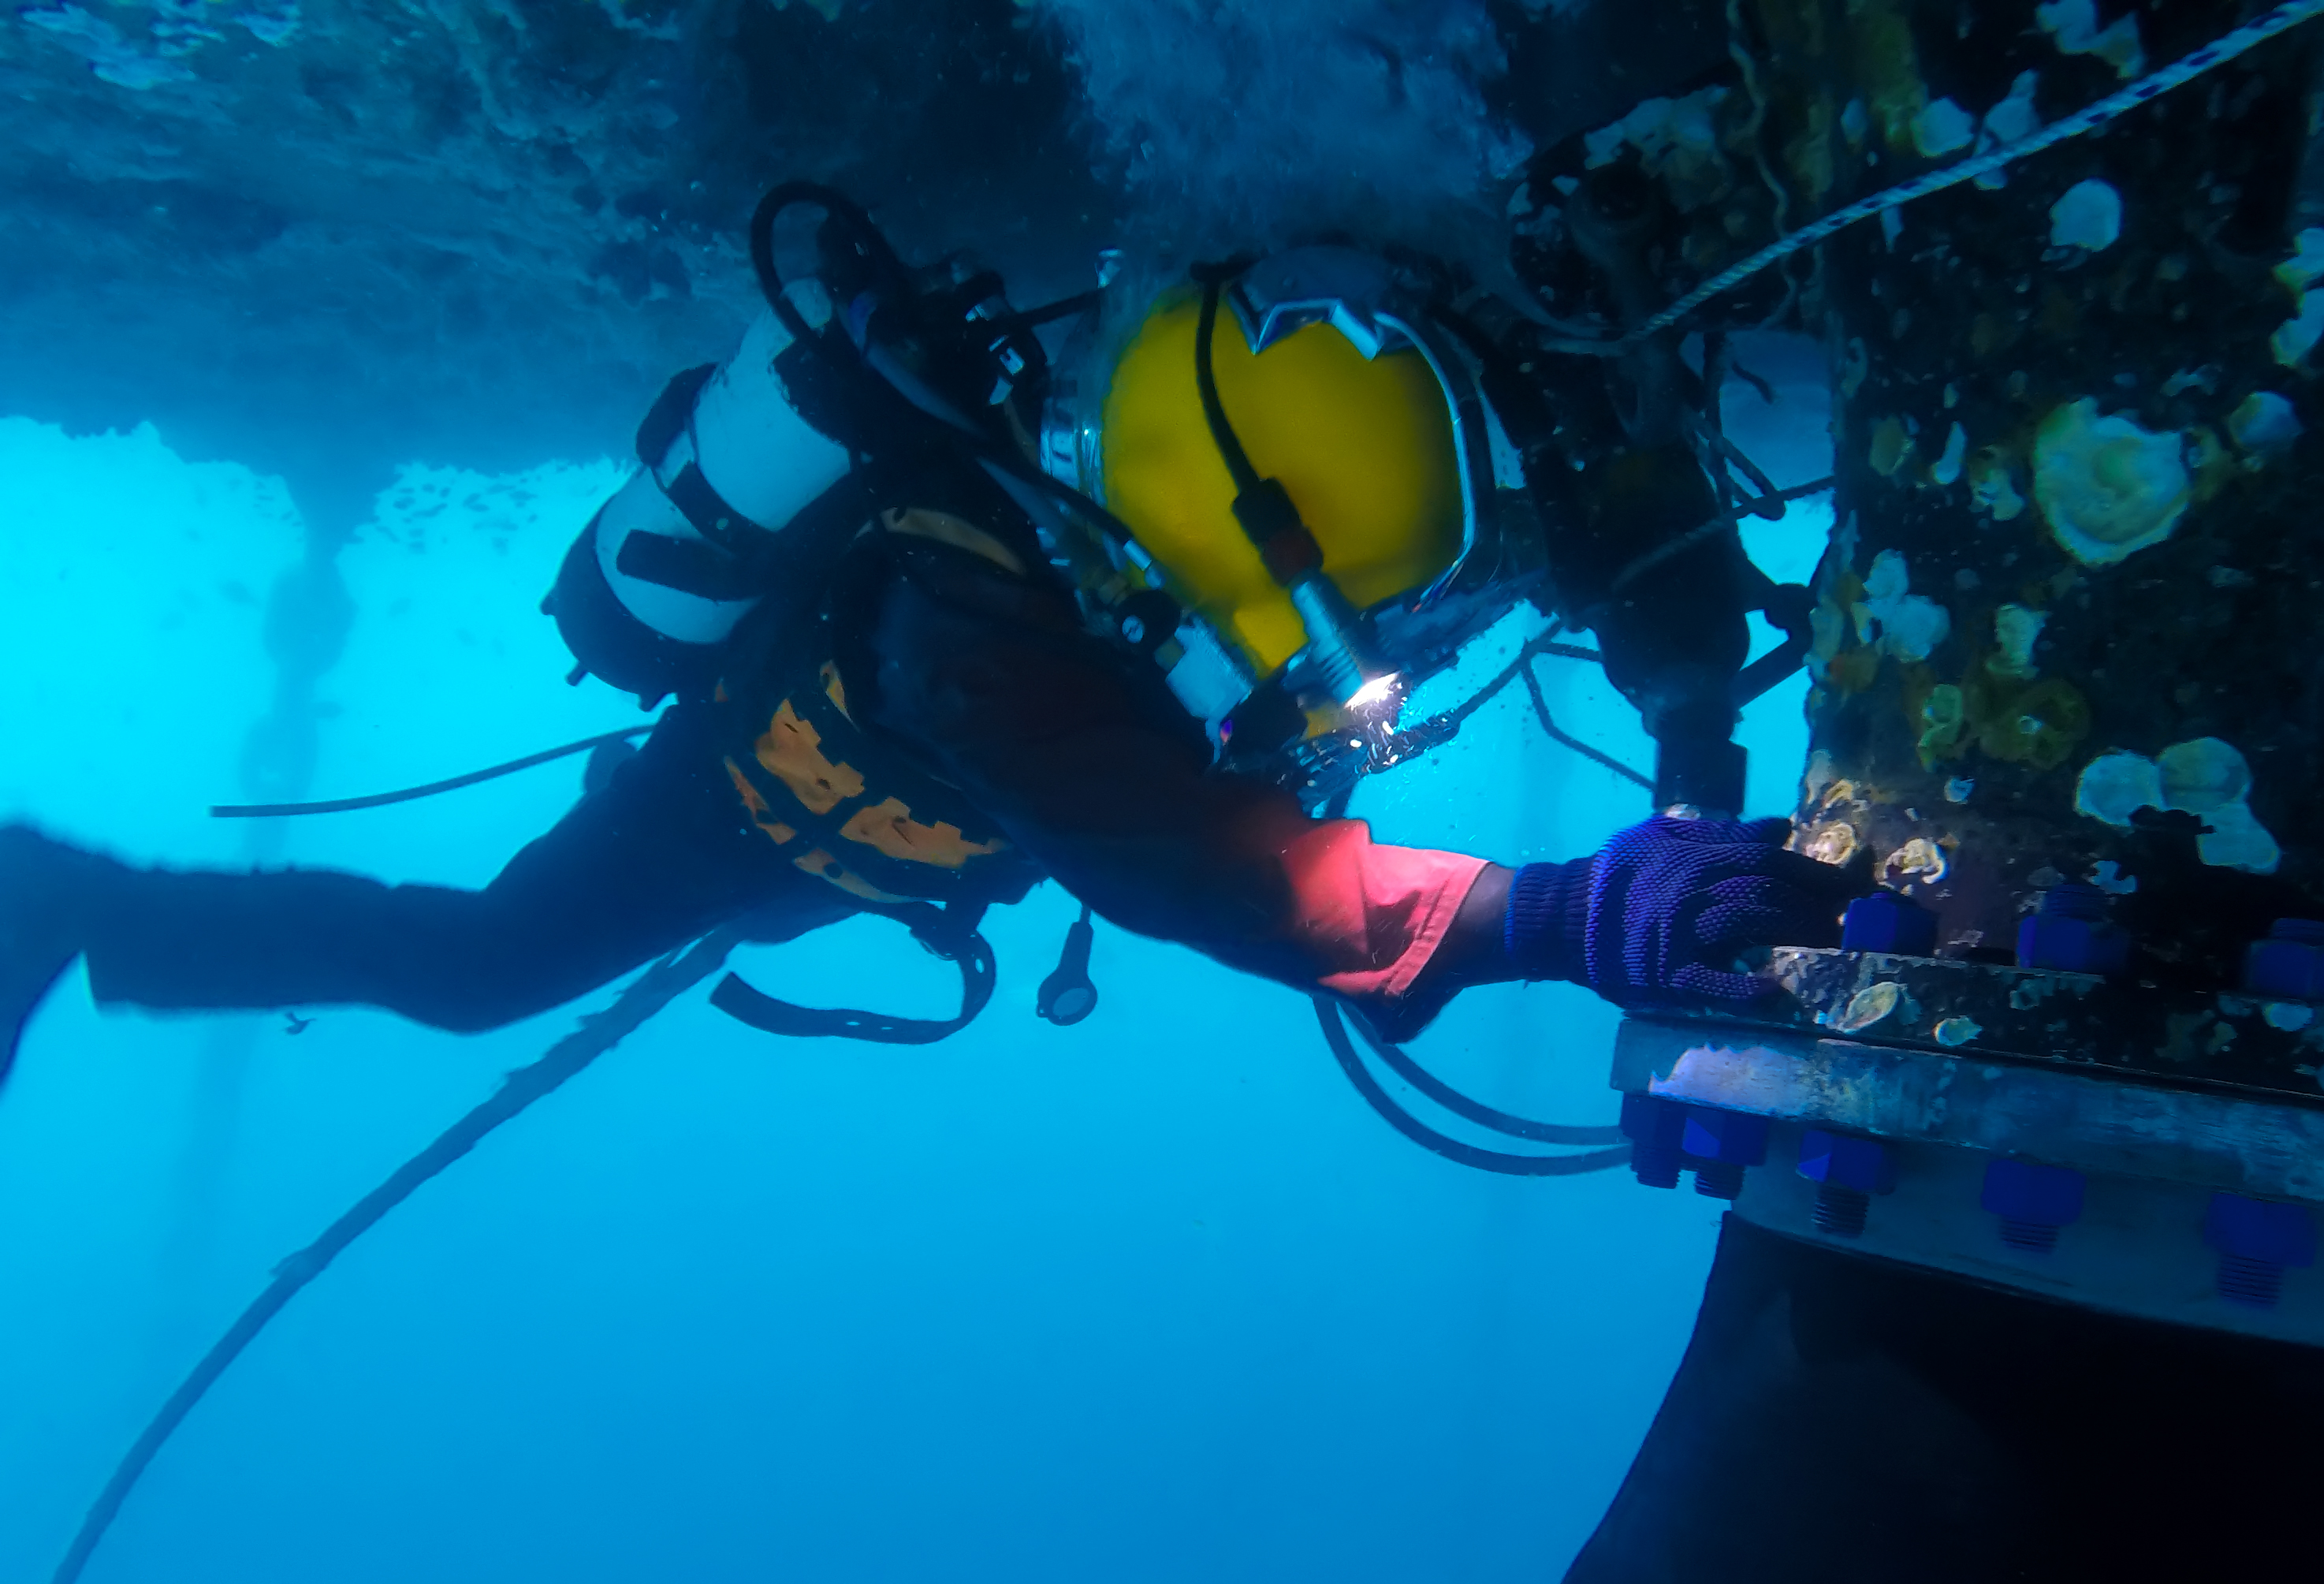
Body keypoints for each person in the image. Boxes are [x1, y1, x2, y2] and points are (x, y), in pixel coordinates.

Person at [0, 187, 1854, 1090]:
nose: (1393, 661)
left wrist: (1692, 764)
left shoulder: (1200, 554)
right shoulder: (977, 636)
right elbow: (1190, 864)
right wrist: (1559, 915)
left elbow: (1590, 535)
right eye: (1378, 623)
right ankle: (66, 903)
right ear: (1244, 548)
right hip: (733, 811)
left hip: (882, 839)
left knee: (484, 970)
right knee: (482, 967)